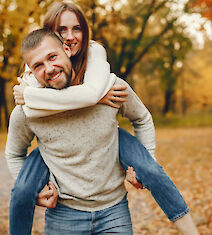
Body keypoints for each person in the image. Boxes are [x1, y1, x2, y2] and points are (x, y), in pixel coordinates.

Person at [11, 2, 199, 235]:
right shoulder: (29, 97)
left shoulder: (107, 85)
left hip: (113, 210)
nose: (70, 38)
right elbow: (14, 151)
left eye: (77, 29)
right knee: (22, 190)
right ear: (51, 35)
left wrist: (144, 163)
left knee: (151, 170)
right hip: (64, 214)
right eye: (62, 31)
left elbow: (139, 117)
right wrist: (29, 95)